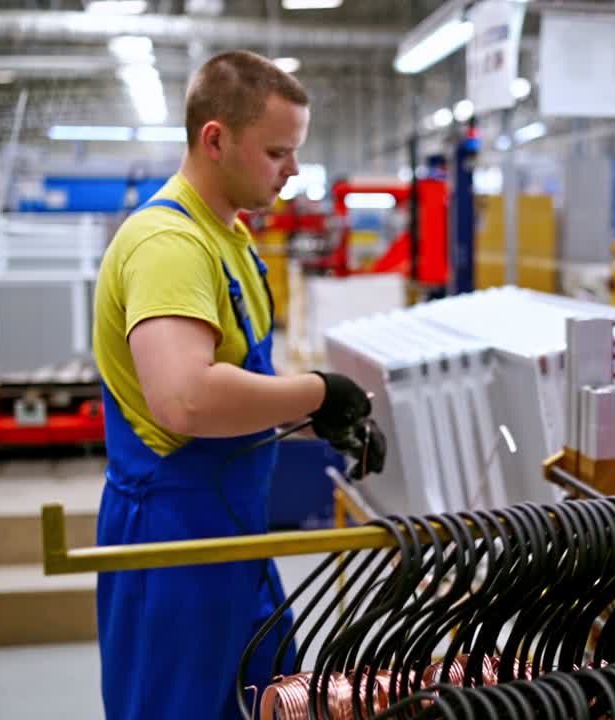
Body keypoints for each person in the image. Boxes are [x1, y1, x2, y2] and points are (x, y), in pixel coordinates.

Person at [90, 50, 386, 719]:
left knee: (267, 702)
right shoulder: (168, 244)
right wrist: (316, 391)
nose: (294, 171)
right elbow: (186, 397)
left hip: (233, 529)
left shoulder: (234, 237)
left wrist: (321, 421)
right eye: (278, 152)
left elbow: (244, 383)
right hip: (172, 540)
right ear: (215, 139)